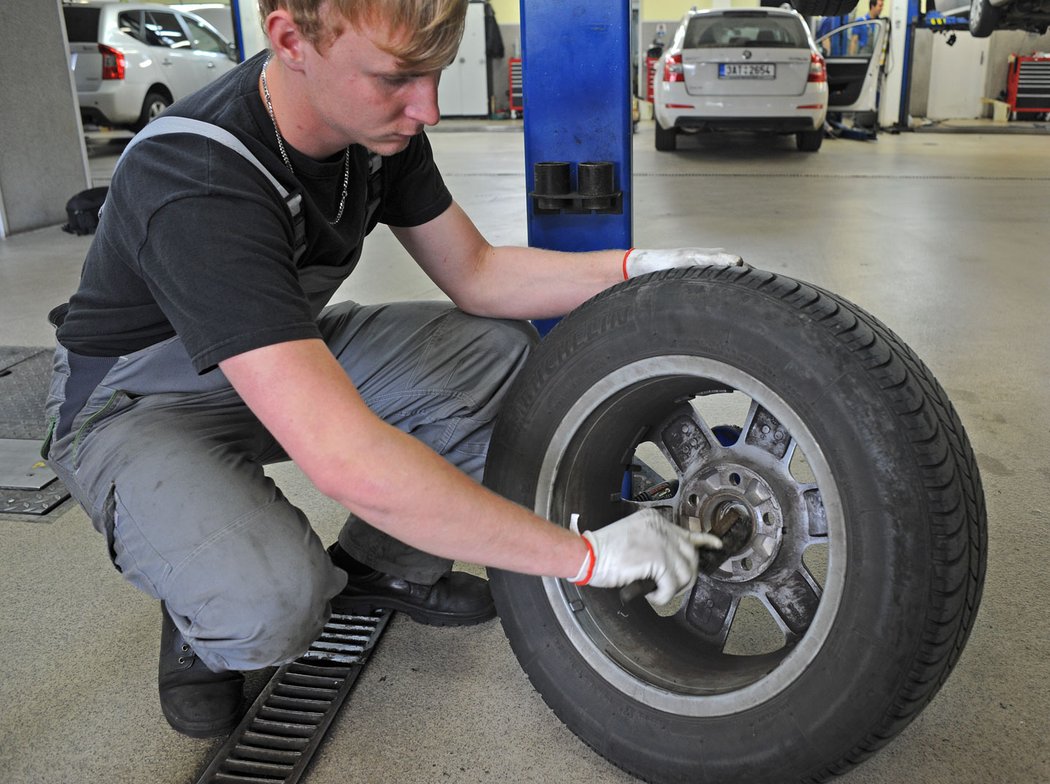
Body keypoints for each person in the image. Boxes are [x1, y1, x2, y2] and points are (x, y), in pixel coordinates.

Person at [43, 0, 739, 739]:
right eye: (398, 79)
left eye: (435, 74)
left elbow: (478, 274)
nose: (429, 108)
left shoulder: (374, 130)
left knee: (493, 353)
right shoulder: (197, 177)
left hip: (279, 351)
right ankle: (198, 606)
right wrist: (583, 557)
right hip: (139, 402)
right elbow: (346, 461)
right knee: (273, 602)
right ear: (290, 39)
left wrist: (639, 270)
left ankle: (382, 568)